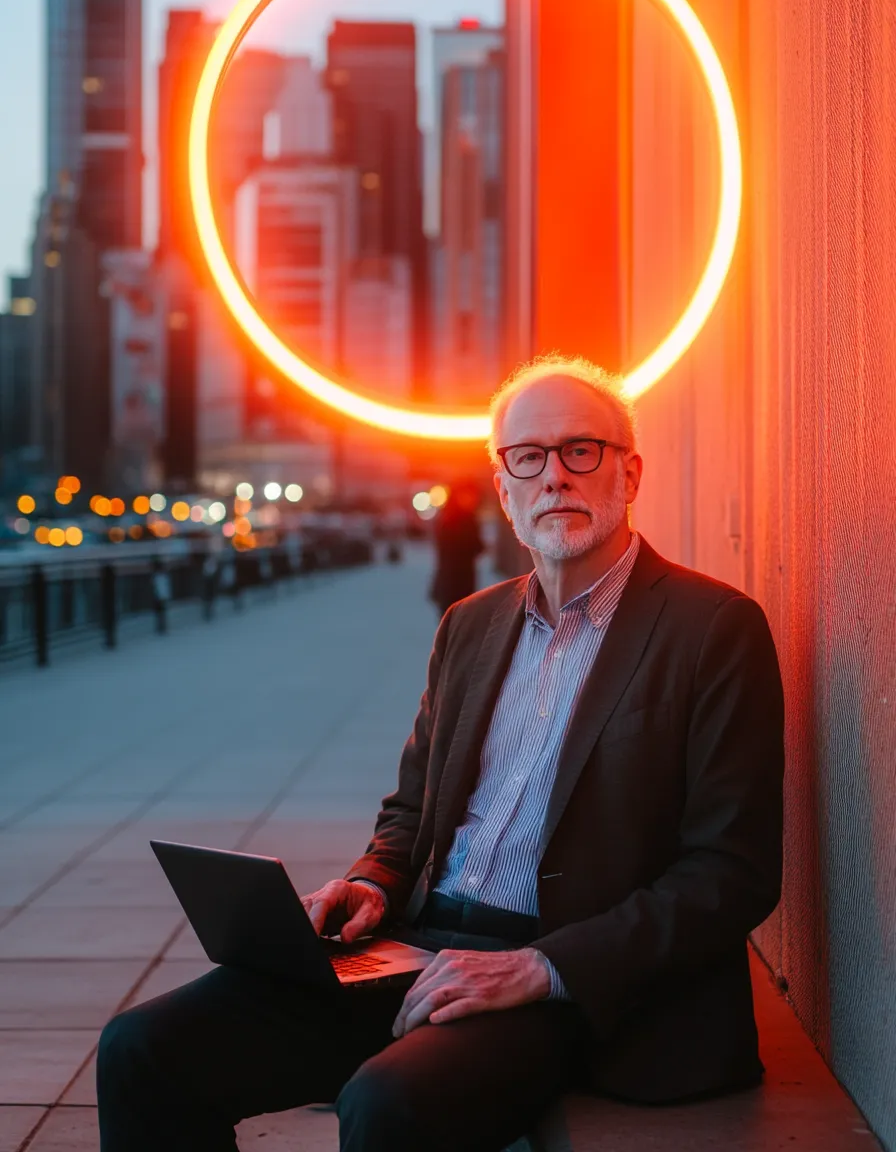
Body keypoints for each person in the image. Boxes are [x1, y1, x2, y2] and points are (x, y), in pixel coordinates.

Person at [96, 353, 785, 1152]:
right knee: (142, 1050)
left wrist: (540, 967)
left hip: (570, 977)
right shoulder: (471, 624)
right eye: (527, 457)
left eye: (580, 451)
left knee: (391, 1104)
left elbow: (732, 873)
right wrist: (372, 880)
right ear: (504, 490)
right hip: (416, 946)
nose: (554, 475)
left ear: (630, 474)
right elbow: (412, 811)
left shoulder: (714, 628)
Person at [428, 477, 485, 617]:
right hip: (454, 582)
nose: (472, 499)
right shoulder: (458, 520)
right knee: (455, 626)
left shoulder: (451, 517)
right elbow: (474, 547)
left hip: (456, 581)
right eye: (468, 495)